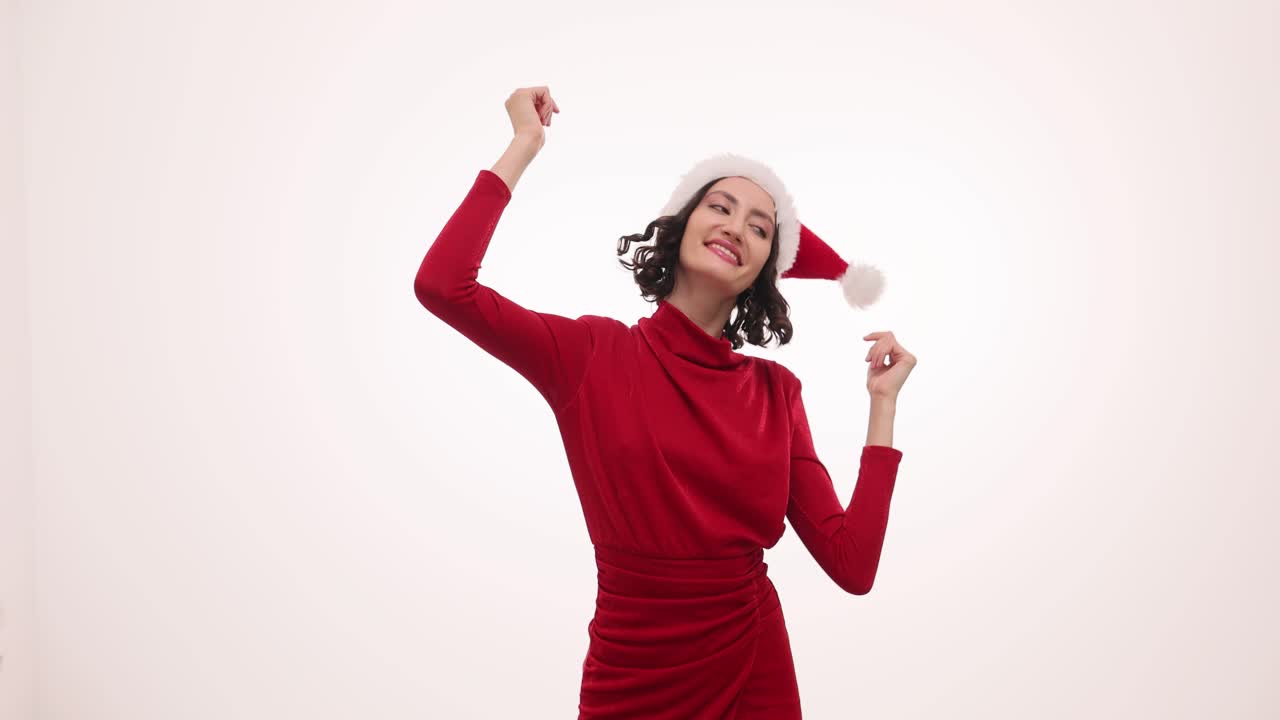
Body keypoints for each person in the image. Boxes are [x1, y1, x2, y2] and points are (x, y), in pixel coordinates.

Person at [414, 85, 918, 720]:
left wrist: (882, 408)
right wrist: (523, 146)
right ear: (682, 225)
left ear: (766, 268)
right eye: (721, 206)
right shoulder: (590, 353)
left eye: (760, 228)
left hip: (752, 666)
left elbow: (853, 565)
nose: (736, 227)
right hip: (631, 672)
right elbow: (443, 287)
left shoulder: (776, 393)